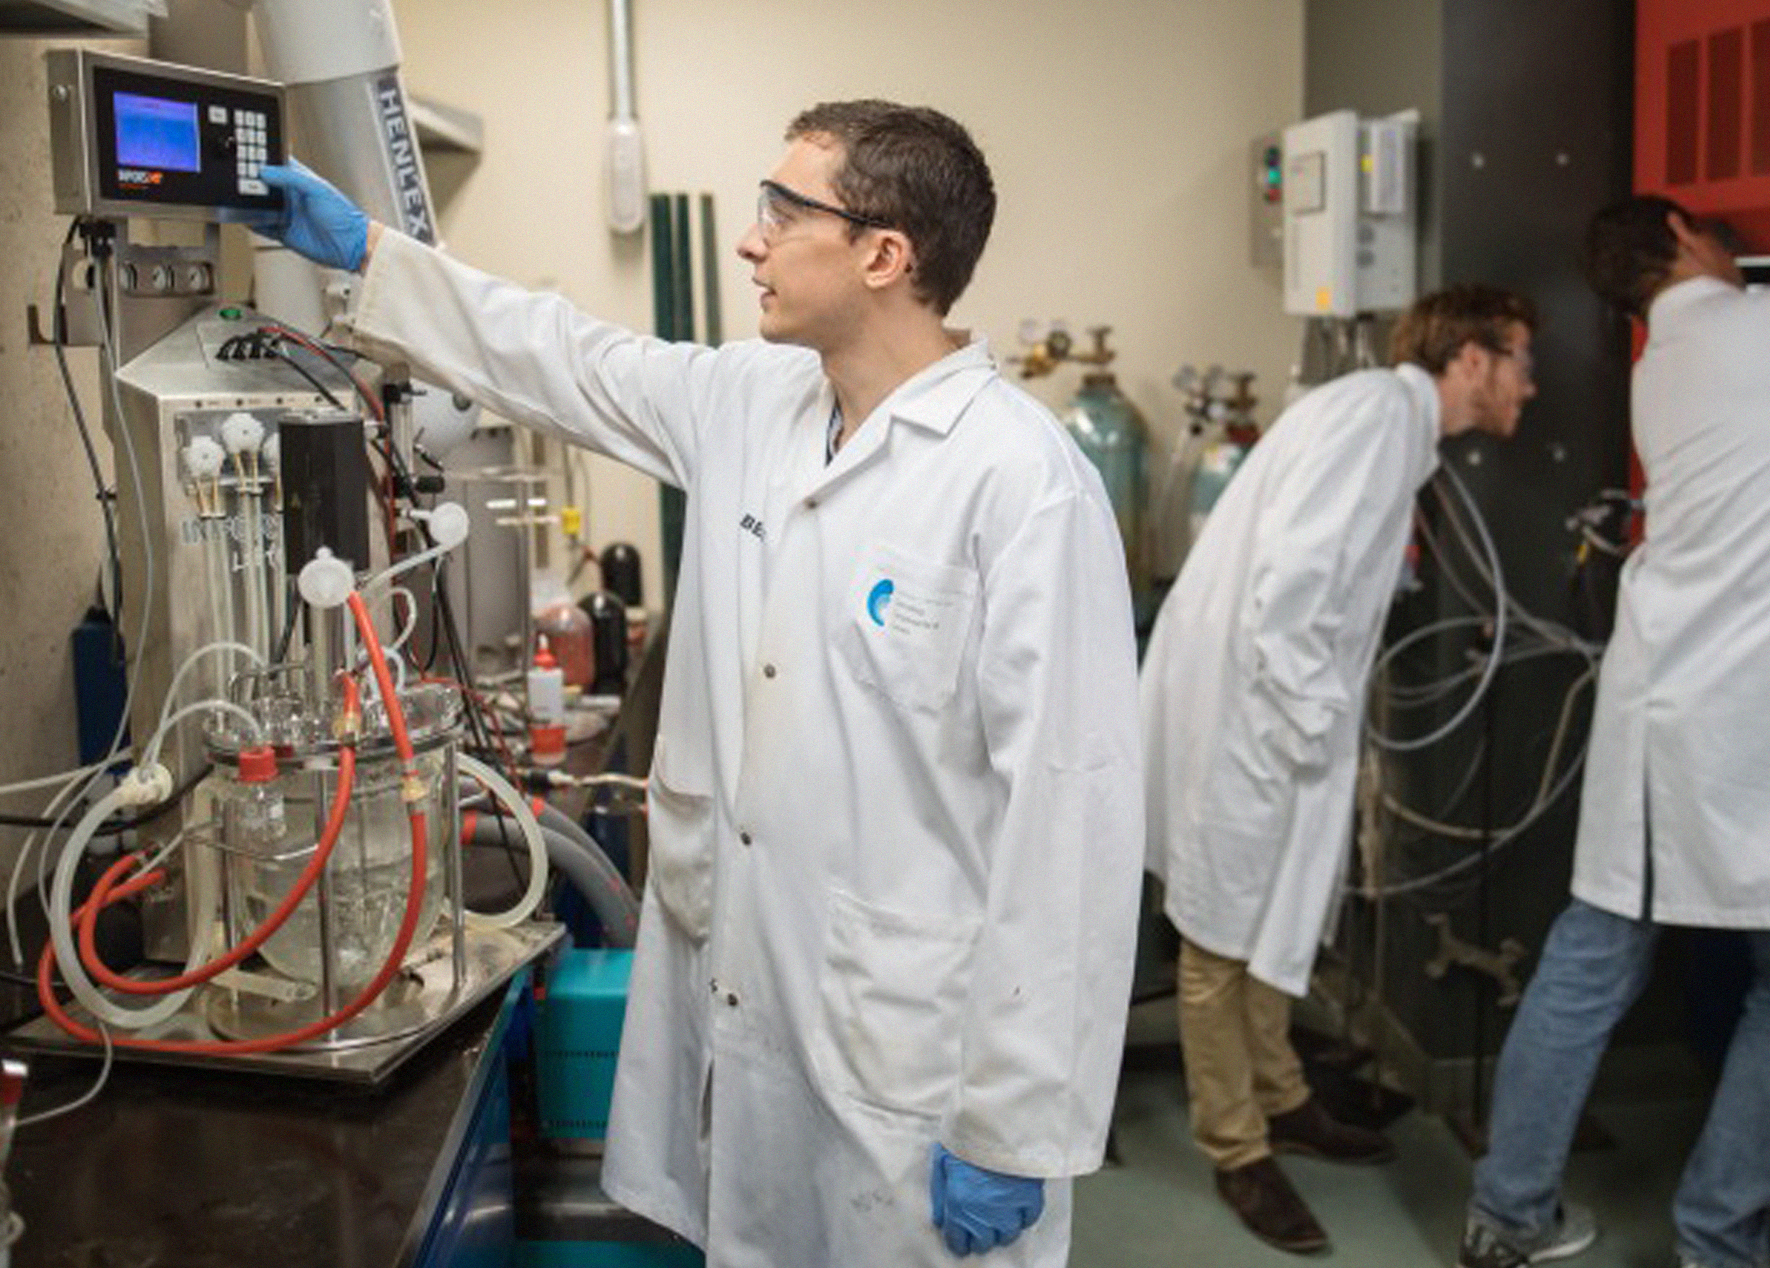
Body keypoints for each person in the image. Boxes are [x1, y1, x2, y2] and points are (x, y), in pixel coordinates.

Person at [251, 100, 1144, 1266]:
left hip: (913, 1063)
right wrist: (375, 257)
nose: (750, 238)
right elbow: (564, 356)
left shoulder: (1021, 482)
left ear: (885, 253)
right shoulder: (749, 404)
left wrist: (1018, 1121)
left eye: (784, 209)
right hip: (758, 1007)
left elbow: (1072, 820)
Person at [1458, 196, 1770, 1268]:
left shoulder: (1662, 366)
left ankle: (1505, 1215)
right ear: (1687, 234)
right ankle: (1717, 1236)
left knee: (1589, 959)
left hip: (1661, 715)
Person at [1141, 285, 1538, 1253]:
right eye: (1522, 359)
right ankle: (1236, 1147)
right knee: (1217, 929)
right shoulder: (1374, 420)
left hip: (1271, 711)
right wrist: (1313, 718)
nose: (1532, 384)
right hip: (1251, 712)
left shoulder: (1389, 425)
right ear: (1473, 359)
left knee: (1266, 912)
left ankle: (1280, 1097)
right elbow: (1290, 592)